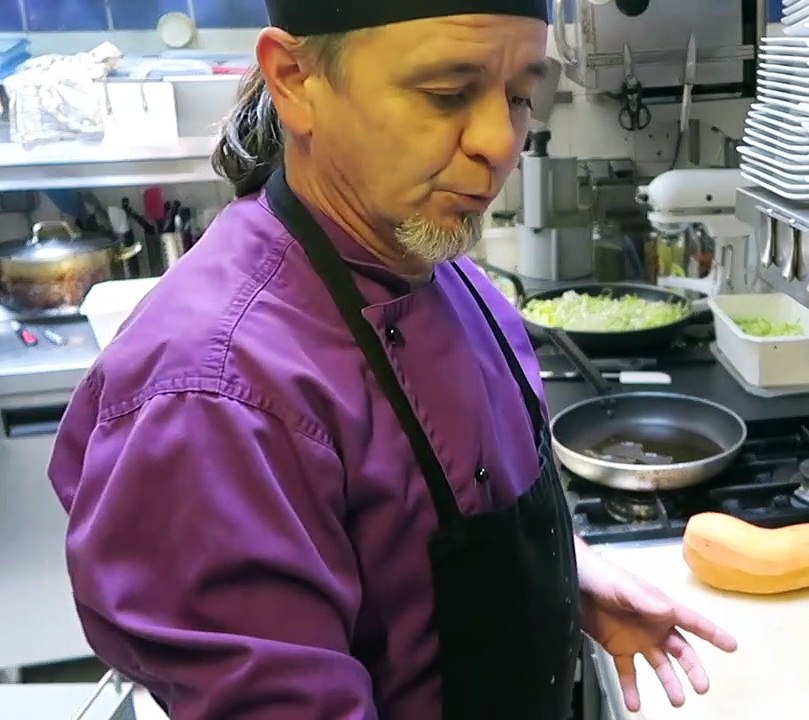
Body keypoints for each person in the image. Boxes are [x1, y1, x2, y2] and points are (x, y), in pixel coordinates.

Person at [47, 2, 737, 717]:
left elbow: (428, 541)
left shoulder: (446, 269)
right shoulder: (213, 395)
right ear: (295, 80)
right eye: (445, 94)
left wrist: (571, 579)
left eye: (521, 94)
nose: (499, 141)